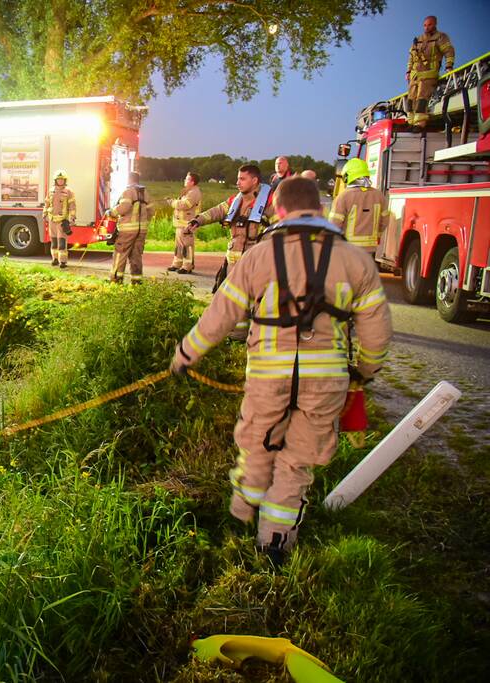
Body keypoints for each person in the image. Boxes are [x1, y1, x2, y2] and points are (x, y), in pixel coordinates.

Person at [170, 177, 392, 565]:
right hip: (326, 381)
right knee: (296, 462)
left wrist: (186, 354)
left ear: (279, 211)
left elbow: (221, 315)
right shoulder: (355, 259)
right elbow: (377, 331)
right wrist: (364, 372)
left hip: (268, 376)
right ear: (320, 211)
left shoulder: (258, 256)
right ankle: (275, 543)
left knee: (256, 446)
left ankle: (240, 518)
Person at [186, 164, 275, 292]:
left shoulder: (269, 204)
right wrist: (197, 220)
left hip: (254, 266)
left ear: (254, 181)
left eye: (242, 179)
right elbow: (216, 211)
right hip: (231, 265)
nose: (237, 182)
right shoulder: (234, 201)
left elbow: (280, 231)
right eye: (238, 178)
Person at [328, 158, 389, 255]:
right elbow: (385, 221)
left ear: (347, 176)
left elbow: (334, 225)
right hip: (370, 249)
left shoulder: (343, 197)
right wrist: (377, 235)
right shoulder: (379, 195)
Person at [406, 16, 454, 130]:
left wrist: (449, 66)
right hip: (415, 75)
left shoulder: (441, 37)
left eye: (430, 25)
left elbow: (449, 51)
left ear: (435, 24)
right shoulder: (417, 40)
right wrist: (408, 71)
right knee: (410, 99)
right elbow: (411, 58)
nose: (427, 27)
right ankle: (410, 122)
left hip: (429, 74)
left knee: (422, 99)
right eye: (425, 25)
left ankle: (419, 123)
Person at [108, 171, 151, 284]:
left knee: (120, 253)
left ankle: (115, 279)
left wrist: (111, 212)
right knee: (136, 255)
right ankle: (136, 280)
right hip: (141, 230)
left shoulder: (128, 191)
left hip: (127, 230)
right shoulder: (145, 192)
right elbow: (151, 210)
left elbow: (124, 207)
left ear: (129, 179)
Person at [168, 172, 203, 274]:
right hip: (181, 224)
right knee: (179, 246)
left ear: (192, 182)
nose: (185, 180)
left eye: (187, 179)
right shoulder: (189, 191)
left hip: (188, 224)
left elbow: (184, 205)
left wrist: (172, 202)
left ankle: (187, 266)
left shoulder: (194, 192)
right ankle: (177, 264)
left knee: (187, 246)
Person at [43, 169, 76, 268]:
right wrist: (44, 214)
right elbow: (47, 204)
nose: (60, 181)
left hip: (62, 221)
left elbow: (72, 206)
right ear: (55, 180)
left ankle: (63, 262)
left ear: (65, 180)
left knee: (61, 242)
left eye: (62, 179)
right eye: (58, 179)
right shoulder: (51, 191)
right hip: (52, 220)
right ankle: (55, 259)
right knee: (53, 242)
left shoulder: (69, 192)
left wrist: (72, 218)